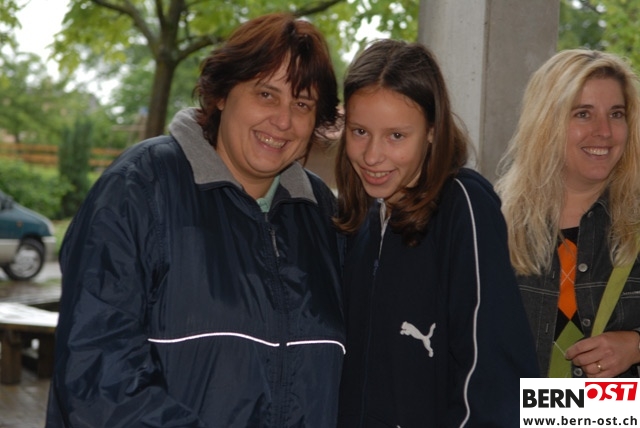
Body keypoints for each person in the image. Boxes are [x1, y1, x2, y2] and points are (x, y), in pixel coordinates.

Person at [46, 13, 345, 427]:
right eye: (266, 94)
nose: (283, 120)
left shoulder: (324, 216)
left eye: (302, 104)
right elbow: (97, 374)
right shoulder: (139, 189)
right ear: (221, 94)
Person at [334, 39, 538, 428]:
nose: (372, 155)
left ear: (431, 130)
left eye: (396, 136)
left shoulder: (464, 203)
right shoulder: (355, 220)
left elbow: (492, 372)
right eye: (360, 131)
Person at [495, 49, 640, 378]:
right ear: (547, 122)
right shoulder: (493, 225)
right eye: (583, 114)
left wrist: (635, 346)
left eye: (616, 114)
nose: (604, 131)